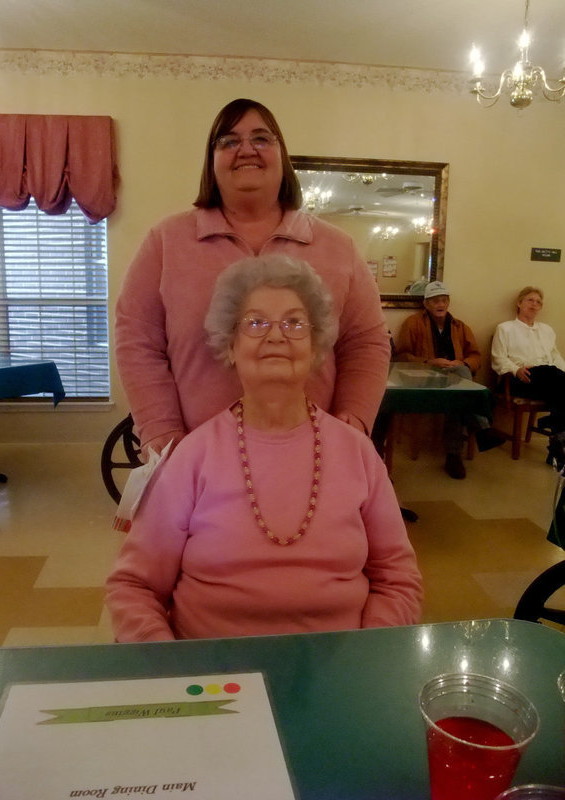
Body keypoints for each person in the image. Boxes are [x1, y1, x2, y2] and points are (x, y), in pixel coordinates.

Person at [106, 254, 423, 641]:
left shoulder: (357, 453)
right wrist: (171, 668)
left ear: (315, 345)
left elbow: (398, 579)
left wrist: (366, 655)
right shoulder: (193, 456)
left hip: (339, 667)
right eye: (256, 323)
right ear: (231, 346)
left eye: (294, 322)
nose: (276, 335)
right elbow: (134, 587)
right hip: (211, 678)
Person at [115, 98, 390, 457]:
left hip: (314, 457)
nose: (246, 150)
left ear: (282, 156)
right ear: (211, 162)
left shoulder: (338, 247)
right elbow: (136, 341)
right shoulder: (166, 242)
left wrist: (352, 421)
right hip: (194, 458)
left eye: (261, 139)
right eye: (229, 141)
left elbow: (366, 342)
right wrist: (161, 430)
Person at [395, 281, 506, 480]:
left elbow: (475, 356)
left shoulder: (459, 326)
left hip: (454, 379)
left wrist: (461, 362)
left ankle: (453, 456)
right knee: (462, 392)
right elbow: (402, 356)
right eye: (435, 301)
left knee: (459, 390)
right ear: (426, 304)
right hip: (424, 379)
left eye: (444, 300)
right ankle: (481, 430)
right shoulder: (413, 323)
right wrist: (430, 361)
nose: (441, 305)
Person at [491, 286, 565, 433]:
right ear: (519, 303)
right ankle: (555, 430)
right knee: (551, 374)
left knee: (554, 377)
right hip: (520, 379)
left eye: (538, 302)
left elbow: (556, 356)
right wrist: (515, 370)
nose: (534, 304)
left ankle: (557, 435)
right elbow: (498, 358)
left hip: (549, 380)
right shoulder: (505, 328)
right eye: (530, 300)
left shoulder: (547, 330)